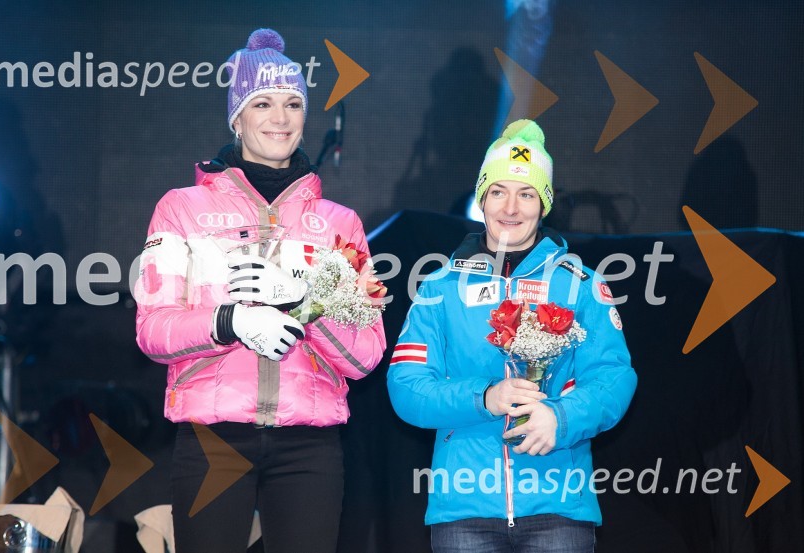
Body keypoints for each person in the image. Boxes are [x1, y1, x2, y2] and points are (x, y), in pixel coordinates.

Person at [134, 28, 386, 553]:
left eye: (294, 103)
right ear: (238, 116)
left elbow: (365, 357)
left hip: (310, 444)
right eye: (263, 102)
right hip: (213, 436)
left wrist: (305, 306)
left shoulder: (339, 224)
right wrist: (230, 321)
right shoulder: (181, 208)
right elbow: (152, 331)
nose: (281, 117)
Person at [387, 120, 636, 552]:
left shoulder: (580, 284)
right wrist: (483, 397)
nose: (511, 207)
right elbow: (406, 386)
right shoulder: (439, 287)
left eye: (527, 194)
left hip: (559, 508)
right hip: (463, 511)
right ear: (481, 198)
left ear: (544, 205)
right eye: (498, 191)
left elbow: (615, 377)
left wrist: (562, 418)